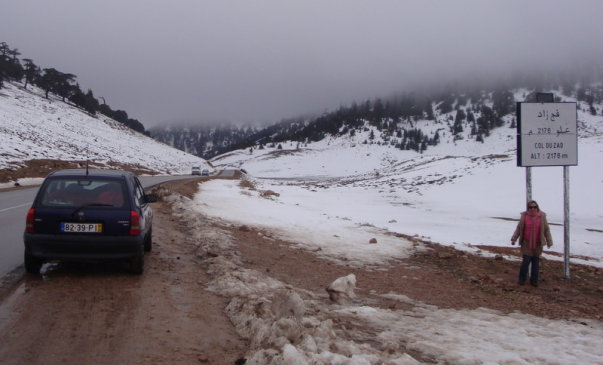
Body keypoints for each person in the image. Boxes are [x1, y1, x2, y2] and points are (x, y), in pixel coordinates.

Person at [510, 200, 553, 287]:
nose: (533, 209)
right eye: (531, 207)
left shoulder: (542, 216)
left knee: (535, 263)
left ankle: (534, 281)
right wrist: (514, 238)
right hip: (526, 242)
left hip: (537, 243)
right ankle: (521, 280)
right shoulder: (524, 216)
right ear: (528, 208)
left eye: (534, 207)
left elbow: (546, 229)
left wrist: (549, 241)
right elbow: (519, 228)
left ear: (537, 207)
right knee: (526, 261)